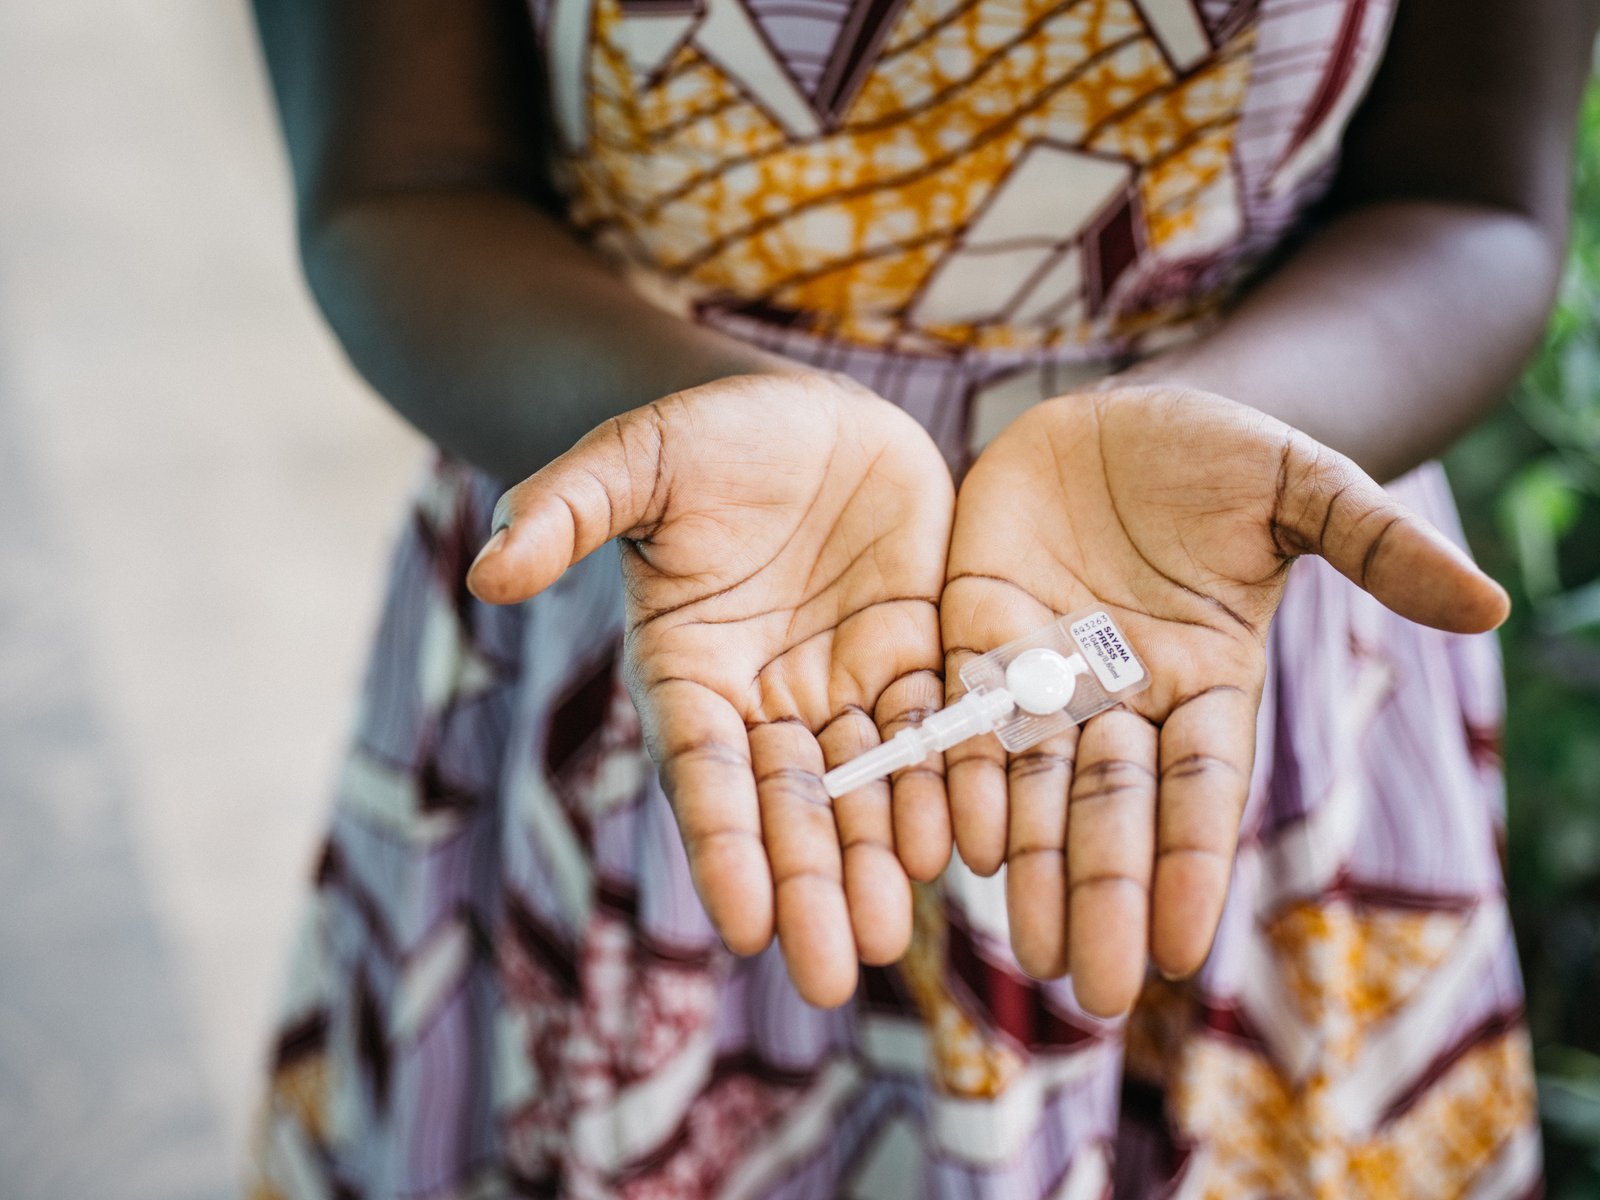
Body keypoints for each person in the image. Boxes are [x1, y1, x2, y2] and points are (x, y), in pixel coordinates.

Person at [248, 0, 1598, 1195]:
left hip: (1228, 616)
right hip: (671, 621)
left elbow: (1476, 202)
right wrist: (674, 417)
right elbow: (395, 182)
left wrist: (1241, 434)